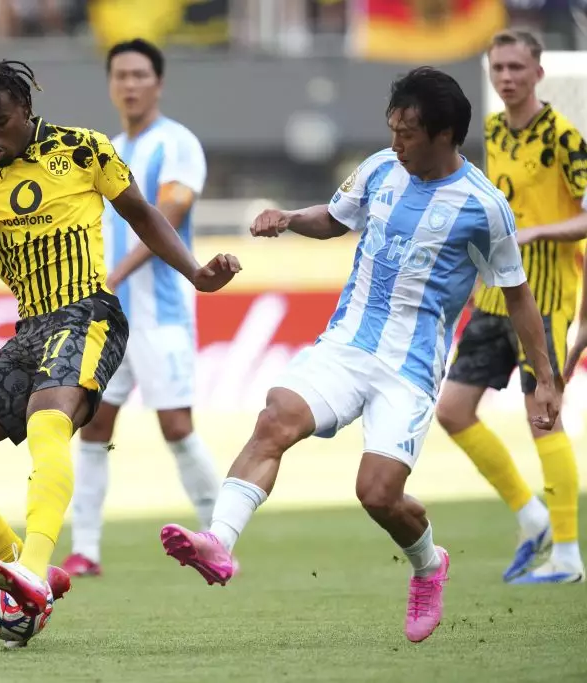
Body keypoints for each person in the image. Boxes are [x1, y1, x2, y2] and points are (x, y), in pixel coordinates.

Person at [157, 66, 562, 644]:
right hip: (347, 343)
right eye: (392, 129)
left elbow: (518, 295)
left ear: (445, 135)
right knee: (276, 418)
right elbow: (334, 219)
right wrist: (290, 219)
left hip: (409, 369)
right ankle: (219, 541)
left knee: (377, 494)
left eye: (407, 133)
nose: (396, 143)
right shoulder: (379, 169)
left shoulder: (484, 207)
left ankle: (429, 565)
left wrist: (543, 377)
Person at [0, 58, 239, 618]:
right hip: (29, 329)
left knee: (48, 423)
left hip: (87, 313)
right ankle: (23, 566)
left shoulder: (82, 148)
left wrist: (197, 273)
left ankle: (31, 569)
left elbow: (143, 214)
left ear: (26, 109)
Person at [62, 38, 220, 578]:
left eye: (139, 75)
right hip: (110, 318)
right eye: (121, 75)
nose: (129, 84)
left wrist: (115, 275)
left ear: (159, 82)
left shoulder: (177, 144)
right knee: (92, 426)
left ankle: (219, 536)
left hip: (162, 314)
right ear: (110, 84)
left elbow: (167, 217)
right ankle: (85, 550)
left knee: (176, 427)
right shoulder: (106, 149)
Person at [435, 30, 587, 585]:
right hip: (493, 296)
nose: (506, 77)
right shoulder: (494, 129)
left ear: (538, 74)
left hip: (543, 300)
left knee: (543, 419)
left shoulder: (565, 138)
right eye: (498, 67)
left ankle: (567, 555)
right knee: (452, 411)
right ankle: (531, 514)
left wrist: (538, 232)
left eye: (516, 67)